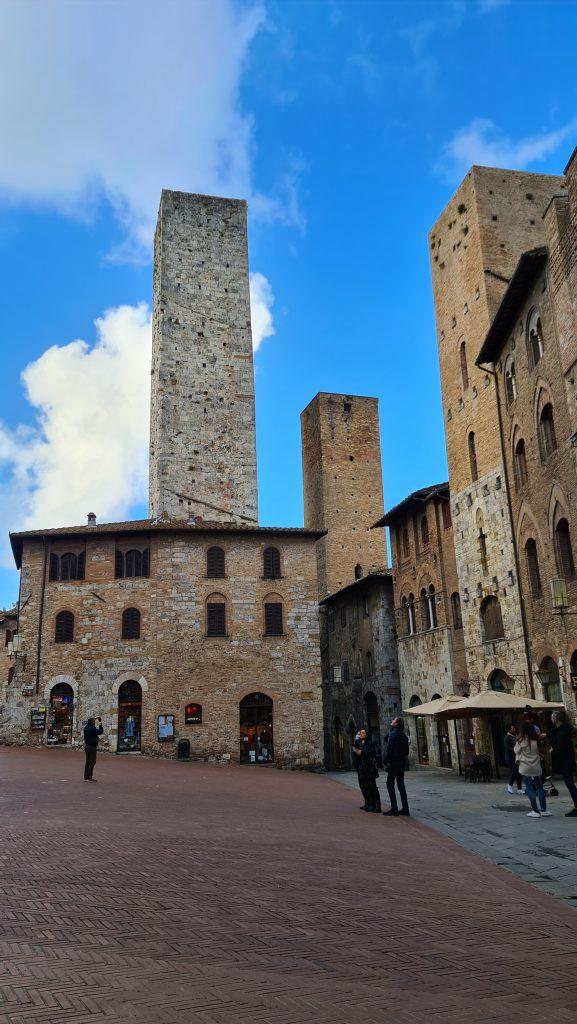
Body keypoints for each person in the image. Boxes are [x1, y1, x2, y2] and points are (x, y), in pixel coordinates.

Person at [514, 720, 551, 818]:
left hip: (525, 767)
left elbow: (516, 751)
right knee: (539, 788)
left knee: (529, 788)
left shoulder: (520, 740)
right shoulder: (536, 740)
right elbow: (541, 751)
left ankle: (535, 811)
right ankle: (544, 810)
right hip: (536, 766)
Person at [550, 710, 577, 818]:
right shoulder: (563, 729)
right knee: (570, 784)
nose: (551, 719)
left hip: (566, 762)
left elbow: (560, 747)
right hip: (568, 760)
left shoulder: (561, 731)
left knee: (570, 784)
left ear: (556, 719)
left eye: (552, 717)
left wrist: (552, 750)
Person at [383, 716, 410, 817]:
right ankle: (405, 809)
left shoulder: (393, 734)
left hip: (394, 763)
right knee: (401, 785)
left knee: (390, 784)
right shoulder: (404, 735)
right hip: (401, 762)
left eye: (393, 720)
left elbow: (389, 749)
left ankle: (394, 809)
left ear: (396, 724)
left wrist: (385, 761)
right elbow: (406, 751)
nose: (392, 720)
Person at [353, 729, 381, 813]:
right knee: (364, 787)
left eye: (363, 733)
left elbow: (372, 753)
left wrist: (362, 752)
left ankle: (376, 806)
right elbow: (356, 752)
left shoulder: (369, 743)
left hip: (369, 769)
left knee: (372, 787)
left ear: (366, 734)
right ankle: (368, 804)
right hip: (362, 768)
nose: (360, 734)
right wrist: (356, 742)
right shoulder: (360, 742)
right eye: (360, 733)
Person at [83, 716, 103, 782]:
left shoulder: (85, 728)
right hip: (92, 747)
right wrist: (100, 724)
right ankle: (89, 777)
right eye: (93, 722)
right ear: (91, 722)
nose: (94, 723)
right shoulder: (92, 729)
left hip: (87, 747)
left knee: (88, 762)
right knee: (92, 762)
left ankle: (86, 777)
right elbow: (100, 732)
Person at [504, 724, 522, 795]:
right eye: (512, 729)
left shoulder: (516, 737)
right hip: (509, 757)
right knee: (514, 771)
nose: (514, 730)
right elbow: (507, 747)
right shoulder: (507, 738)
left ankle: (519, 788)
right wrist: (516, 750)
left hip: (516, 757)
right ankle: (509, 785)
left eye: (514, 728)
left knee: (518, 772)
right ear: (509, 730)